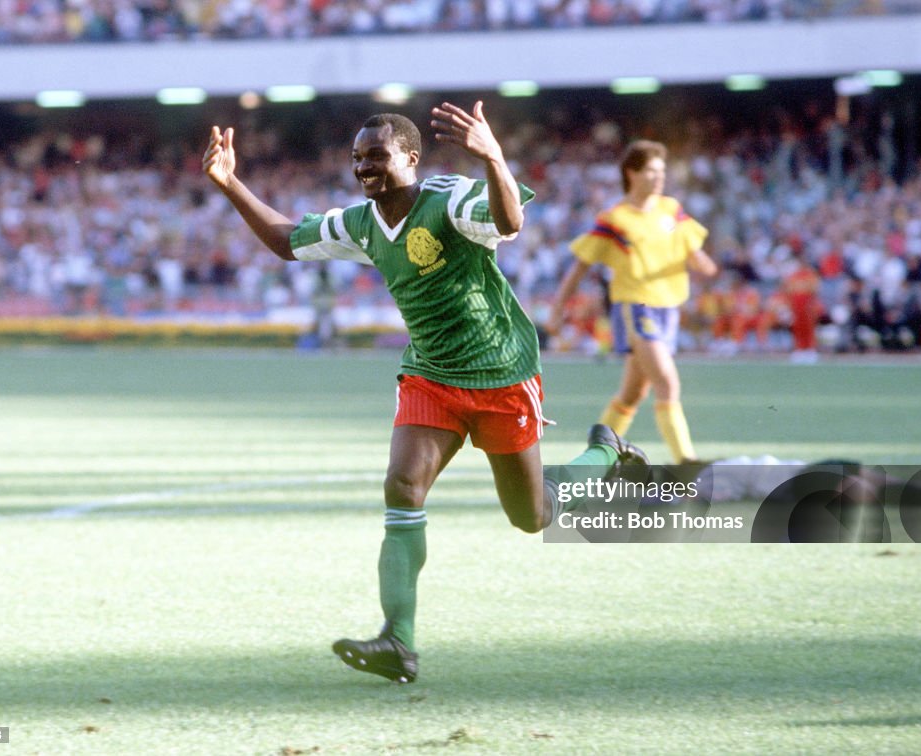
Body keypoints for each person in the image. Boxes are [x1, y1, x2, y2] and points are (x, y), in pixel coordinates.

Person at [203, 103, 640, 684]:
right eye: (358, 158)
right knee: (402, 486)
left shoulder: (450, 198)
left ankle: (606, 452)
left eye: (377, 156)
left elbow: (508, 222)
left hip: (500, 375)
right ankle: (398, 641)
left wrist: (493, 157)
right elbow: (288, 241)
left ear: (411, 157)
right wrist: (230, 182)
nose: (364, 167)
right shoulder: (362, 223)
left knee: (533, 516)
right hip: (431, 376)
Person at [547, 140, 718, 464]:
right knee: (666, 382)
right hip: (637, 307)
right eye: (652, 170)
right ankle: (687, 462)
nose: (659, 177)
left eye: (662, 171)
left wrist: (704, 264)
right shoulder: (615, 219)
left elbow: (693, 254)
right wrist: (558, 308)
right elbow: (580, 266)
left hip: (669, 307)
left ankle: (593, 461)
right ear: (632, 173)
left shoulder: (671, 209)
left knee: (631, 395)